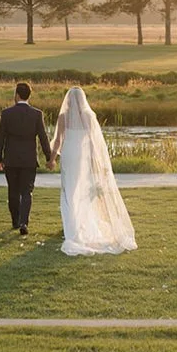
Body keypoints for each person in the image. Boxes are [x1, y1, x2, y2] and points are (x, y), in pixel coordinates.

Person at [50, 86, 136, 256]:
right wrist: (97, 161)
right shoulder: (89, 116)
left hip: (69, 155)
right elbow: (94, 141)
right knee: (84, 188)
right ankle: (81, 222)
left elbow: (58, 140)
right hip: (83, 156)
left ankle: (72, 225)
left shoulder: (63, 117)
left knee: (70, 189)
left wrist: (52, 158)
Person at [0, 82, 52, 236]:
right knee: (27, 192)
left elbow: (1, 138)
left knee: (13, 190)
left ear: (17, 95)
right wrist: (49, 157)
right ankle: (24, 223)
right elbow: (43, 137)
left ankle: (15, 221)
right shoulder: (37, 114)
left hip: (11, 159)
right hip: (29, 160)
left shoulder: (7, 114)